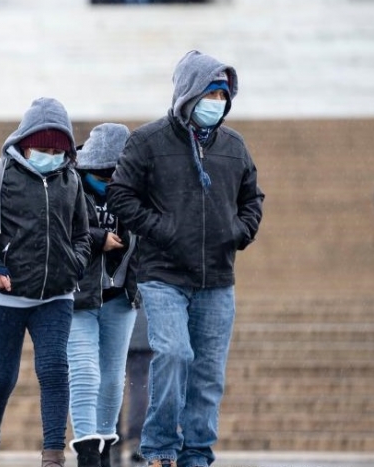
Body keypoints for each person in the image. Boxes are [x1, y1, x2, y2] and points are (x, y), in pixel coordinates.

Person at [107, 50, 264, 467]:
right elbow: (120, 195)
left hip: (217, 279)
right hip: (163, 276)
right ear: (189, 93)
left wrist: (239, 232)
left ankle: (197, 453)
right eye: (211, 92)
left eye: (223, 94)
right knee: (174, 354)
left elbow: (252, 199)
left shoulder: (234, 146)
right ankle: (160, 448)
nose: (218, 101)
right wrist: (162, 229)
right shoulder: (148, 141)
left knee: (208, 374)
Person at [0, 97, 91, 467]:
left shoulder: (71, 180)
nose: (50, 156)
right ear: (24, 142)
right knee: (3, 377)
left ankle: (53, 457)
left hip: (55, 296)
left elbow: (82, 235)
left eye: (57, 151)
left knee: (54, 371)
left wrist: (74, 265)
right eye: (42, 149)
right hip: (3, 297)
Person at [67, 123, 139, 467]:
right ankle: (86, 453)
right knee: (84, 371)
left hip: (121, 296)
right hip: (79, 294)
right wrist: (98, 238)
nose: (107, 182)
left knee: (112, 378)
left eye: (114, 176)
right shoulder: (69, 184)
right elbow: (56, 226)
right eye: (100, 176)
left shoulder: (139, 187)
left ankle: (105, 449)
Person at [114, 306, 153, 467]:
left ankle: (113, 441)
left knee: (113, 385)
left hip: (117, 326)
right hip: (143, 327)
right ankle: (136, 440)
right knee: (140, 387)